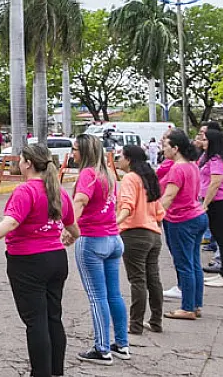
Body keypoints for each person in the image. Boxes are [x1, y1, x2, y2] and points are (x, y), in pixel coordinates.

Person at [0, 144, 78, 377]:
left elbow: (11, 222)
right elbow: (72, 226)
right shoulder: (59, 192)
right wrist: (71, 236)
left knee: (36, 321)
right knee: (53, 316)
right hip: (56, 259)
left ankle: (41, 372)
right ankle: (56, 370)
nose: (19, 163)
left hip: (28, 262)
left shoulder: (26, 191)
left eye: (22, 160)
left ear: (28, 163)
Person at [69, 134, 128, 365]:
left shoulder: (87, 174)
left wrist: (68, 227)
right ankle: (121, 344)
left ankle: (102, 348)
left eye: (75, 149)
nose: (72, 153)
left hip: (92, 239)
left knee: (97, 297)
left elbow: (80, 201)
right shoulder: (107, 174)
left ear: (84, 151)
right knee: (114, 294)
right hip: (113, 238)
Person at [159, 130, 208, 320]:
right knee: (194, 263)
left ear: (175, 148)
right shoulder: (192, 166)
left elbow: (169, 196)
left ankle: (187, 307)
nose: (164, 150)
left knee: (185, 264)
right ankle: (195, 304)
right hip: (196, 216)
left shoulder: (178, 169)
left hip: (182, 219)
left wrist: (155, 217)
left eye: (166, 146)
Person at [116, 145, 164, 336]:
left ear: (128, 159)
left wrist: (115, 223)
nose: (118, 159)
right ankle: (156, 321)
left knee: (137, 280)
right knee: (153, 278)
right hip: (154, 233)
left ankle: (135, 324)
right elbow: (160, 211)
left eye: (120, 156)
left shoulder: (130, 178)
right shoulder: (148, 179)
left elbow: (127, 205)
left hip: (135, 233)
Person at [197, 128, 223, 289]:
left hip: (221, 202)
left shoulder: (217, 159)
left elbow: (215, 183)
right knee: (220, 238)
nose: (203, 142)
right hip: (217, 202)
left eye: (206, 140)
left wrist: (205, 203)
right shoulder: (207, 158)